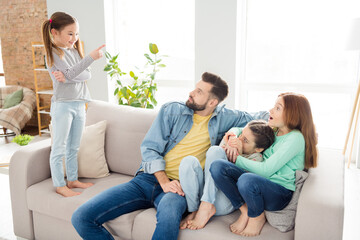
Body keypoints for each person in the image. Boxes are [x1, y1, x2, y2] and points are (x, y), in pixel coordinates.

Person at [71, 72, 267, 240]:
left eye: (199, 92)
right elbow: (149, 148)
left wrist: (234, 132)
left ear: (212, 102)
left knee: (168, 221)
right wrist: (163, 181)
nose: (191, 93)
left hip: (179, 189)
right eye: (194, 88)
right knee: (81, 217)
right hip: (147, 180)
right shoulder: (172, 110)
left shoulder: (226, 117)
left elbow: (263, 117)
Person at [209, 92, 318, 237]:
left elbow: (266, 171)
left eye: (278, 108)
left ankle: (257, 217)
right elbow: (241, 129)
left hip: (279, 193)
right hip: (256, 186)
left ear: (292, 115)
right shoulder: (274, 130)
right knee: (217, 166)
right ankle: (245, 210)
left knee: (246, 179)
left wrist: (236, 158)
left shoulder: (295, 138)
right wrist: (234, 136)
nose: (271, 110)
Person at [41, 12, 105, 197]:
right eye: (70, 34)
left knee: (74, 146)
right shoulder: (52, 53)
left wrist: (69, 76)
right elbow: (77, 72)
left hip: (79, 103)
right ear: (55, 32)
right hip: (63, 105)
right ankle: (60, 185)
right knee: (59, 147)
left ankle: (73, 179)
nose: (74, 38)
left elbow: (86, 75)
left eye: (76, 34)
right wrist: (90, 58)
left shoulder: (75, 50)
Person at [180, 120, 275, 230]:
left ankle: (207, 206)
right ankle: (194, 210)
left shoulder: (257, 159)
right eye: (241, 135)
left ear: (258, 149)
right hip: (205, 194)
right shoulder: (232, 142)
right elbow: (213, 162)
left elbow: (244, 185)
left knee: (216, 151)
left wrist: (238, 156)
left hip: (222, 201)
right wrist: (226, 144)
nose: (239, 140)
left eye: (245, 140)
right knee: (189, 161)